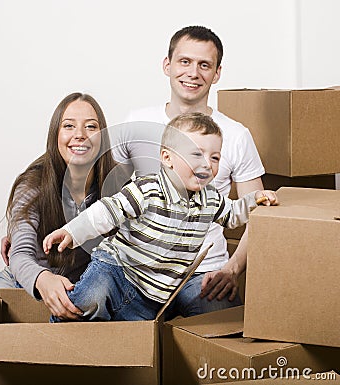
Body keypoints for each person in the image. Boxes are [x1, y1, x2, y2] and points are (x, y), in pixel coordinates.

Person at [43, 113, 277, 321]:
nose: (207, 164)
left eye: (215, 158)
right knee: (92, 297)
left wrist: (255, 200)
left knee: (136, 335)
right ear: (167, 158)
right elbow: (106, 211)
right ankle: (64, 330)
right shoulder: (147, 189)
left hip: (157, 290)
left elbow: (233, 215)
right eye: (196, 154)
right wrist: (71, 232)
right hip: (118, 270)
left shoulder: (211, 199)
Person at [109, 25, 265, 317]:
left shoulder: (236, 134)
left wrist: (232, 270)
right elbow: (104, 196)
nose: (193, 73)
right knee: (110, 340)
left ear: (217, 73)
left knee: (227, 343)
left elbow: (260, 215)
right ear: (167, 66)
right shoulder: (136, 123)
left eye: (204, 65)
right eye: (185, 62)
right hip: (139, 272)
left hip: (205, 275)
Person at [0, 92, 127, 319]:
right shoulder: (33, 183)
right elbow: (20, 254)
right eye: (69, 126)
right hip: (27, 280)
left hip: (81, 288)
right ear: (56, 135)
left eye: (91, 127)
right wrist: (43, 279)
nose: (80, 135)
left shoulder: (121, 183)